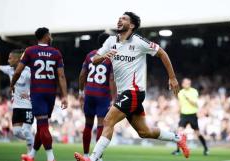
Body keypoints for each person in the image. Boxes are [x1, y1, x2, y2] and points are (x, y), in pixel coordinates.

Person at [74, 12, 189, 161]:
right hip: (124, 93)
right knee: (144, 132)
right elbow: (94, 60)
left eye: (124, 19)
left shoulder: (139, 41)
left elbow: (162, 53)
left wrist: (172, 77)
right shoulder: (110, 41)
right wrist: (104, 56)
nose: (119, 20)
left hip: (134, 91)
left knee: (108, 121)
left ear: (132, 25)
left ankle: (93, 158)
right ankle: (178, 138)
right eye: (119, 18)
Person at [10, 27, 68, 161]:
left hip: (38, 94)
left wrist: (12, 84)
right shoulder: (56, 52)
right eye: (50, 35)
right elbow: (62, 76)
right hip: (51, 94)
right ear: (46, 36)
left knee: (42, 126)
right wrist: (64, 96)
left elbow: (18, 71)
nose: (51, 37)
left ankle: (51, 157)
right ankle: (31, 155)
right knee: (42, 125)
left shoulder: (30, 51)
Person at [79, 33, 116, 160]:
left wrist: (80, 92)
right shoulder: (110, 57)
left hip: (89, 93)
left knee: (88, 125)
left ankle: (85, 154)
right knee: (101, 125)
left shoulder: (90, 55)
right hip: (103, 94)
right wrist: (114, 98)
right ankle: (98, 157)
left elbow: (82, 74)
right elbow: (111, 79)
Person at [0, 49, 34, 153]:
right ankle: (33, 141)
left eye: (10, 58)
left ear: (17, 59)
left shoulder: (29, 71)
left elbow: (38, 84)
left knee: (25, 131)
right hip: (16, 107)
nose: (8, 61)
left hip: (28, 106)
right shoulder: (9, 69)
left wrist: (30, 94)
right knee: (16, 132)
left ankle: (30, 156)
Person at [172, 78, 209, 156]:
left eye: (189, 83)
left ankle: (206, 148)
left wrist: (188, 98)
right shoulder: (180, 92)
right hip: (184, 115)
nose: (187, 84)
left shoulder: (194, 91)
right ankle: (178, 150)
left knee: (198, 133)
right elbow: (180, 104)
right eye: (186, 83)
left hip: (192, 115)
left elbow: (195, 103)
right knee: (178, 133)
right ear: (182, 84)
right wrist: (177, 111)